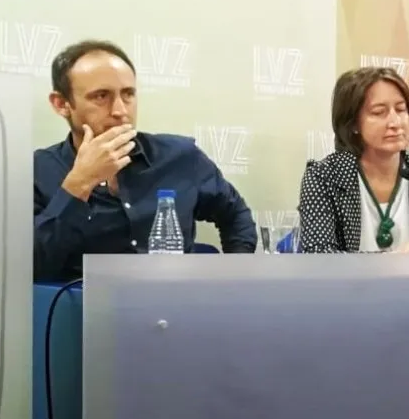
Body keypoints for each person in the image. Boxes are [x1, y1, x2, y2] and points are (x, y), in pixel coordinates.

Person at [34, 40, 257, 282]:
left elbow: (236, 215)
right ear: (61, 104)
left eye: (128, 94)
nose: (120, 110)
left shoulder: (179, 156)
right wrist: (79, 183)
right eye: (101, 96)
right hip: (82, 313)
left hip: (177, 309)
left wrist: (236, 278)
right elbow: (33, 265)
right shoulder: (37, 171)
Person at [298, 67, 409, 253]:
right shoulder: (324, 178)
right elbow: (318, 255)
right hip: (353, 284)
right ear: (353, 123)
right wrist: (394, 259)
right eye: (379, 112)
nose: (395, 122)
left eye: (401, 109)